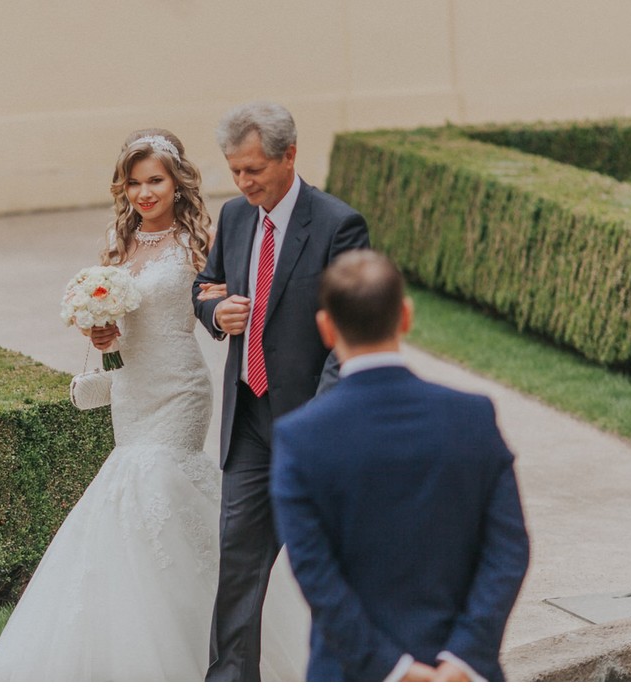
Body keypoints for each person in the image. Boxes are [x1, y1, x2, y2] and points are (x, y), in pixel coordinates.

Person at [0, 129, 306, 681]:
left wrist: (229, 312)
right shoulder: (118, 240)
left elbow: (215, 301)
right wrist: (102, 332)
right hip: (131, 390)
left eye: (154, 180)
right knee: (131, 499)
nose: (143, 192)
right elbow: (112, 318)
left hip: (179, 388)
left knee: (156, 481)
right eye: (134, 182)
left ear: (177, 183)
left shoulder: (195, 241)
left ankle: (222, 650)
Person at [270, 250, 530, 682]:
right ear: (406, 316)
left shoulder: (300, 436)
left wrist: (394, 671)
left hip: (352, 673)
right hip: (463, 677)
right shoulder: (473, 415)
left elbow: (316, 575)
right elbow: (508, 550)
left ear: (326, 328)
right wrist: (462, 660)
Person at [192, 101, 370, 682]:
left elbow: (351, 334)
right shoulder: (236, 217)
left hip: (312, 431)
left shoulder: (340, 225)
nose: (243, 183)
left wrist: (318, 422)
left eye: (254, 171)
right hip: (246, 424)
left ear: (289, 155)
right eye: (235, 171)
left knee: (335, 572)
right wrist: (218, 311)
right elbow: (205, 286)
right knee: (237, 567)